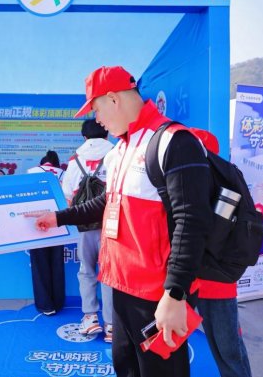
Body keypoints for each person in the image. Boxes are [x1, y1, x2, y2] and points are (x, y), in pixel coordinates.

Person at [31, 66, 213, 377]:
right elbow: (107, 202)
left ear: (113, 99)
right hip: (120, 286)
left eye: (96, 109)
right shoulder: (121, 150)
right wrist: (58, 217)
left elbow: (192, 222)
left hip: (156, 293)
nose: (97, 120)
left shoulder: (174, 141)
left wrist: (175, 293)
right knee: (126, 367)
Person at [190, 128, 253, 377]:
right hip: (209, 274)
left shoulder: (211, 178)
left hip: (211, 277)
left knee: (227, 348)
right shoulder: (228, 174)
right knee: (226, 348)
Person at [62, 118, 114, 342]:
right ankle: (112, 325)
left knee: (86, 270)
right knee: (110, 274)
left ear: (84, 137)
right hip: (112, 226)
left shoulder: (75, 161)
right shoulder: (117, 155)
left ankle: (90, 318)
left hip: (83, 225)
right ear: (107, 134)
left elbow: (67, 195)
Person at [27, 150, 66, 316]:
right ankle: (58, 302)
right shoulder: (64, 173)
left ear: (41, 163)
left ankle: (45, 305)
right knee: (57, 263)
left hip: (37, 223)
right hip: (59, 222)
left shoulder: (31, 172)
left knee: (39, 264)